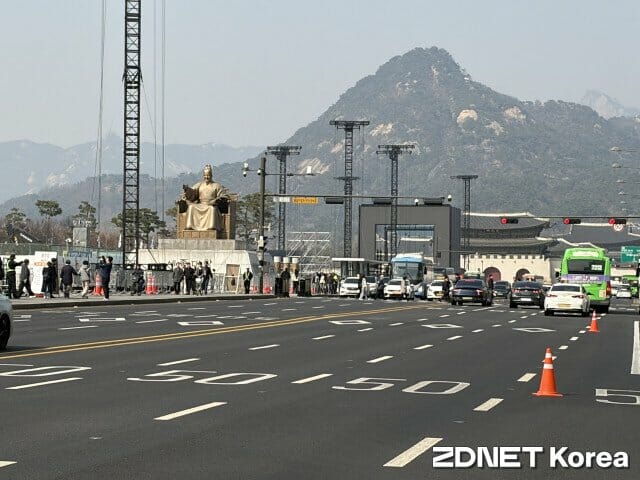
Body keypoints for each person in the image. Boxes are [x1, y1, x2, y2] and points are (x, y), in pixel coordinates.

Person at [183, 164, 229, 231]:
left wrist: (216, 200)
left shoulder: (217, 185)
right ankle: (190, 226)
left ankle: (211, 227)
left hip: (211, 204)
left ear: (211, 176)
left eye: (208, 175)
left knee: (211, 209)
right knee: (191, 207)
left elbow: (223, 196)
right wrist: (187, 191)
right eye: (205, 175)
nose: (206, 177)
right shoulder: (199, 184)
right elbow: (193, 193)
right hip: (200, 204)